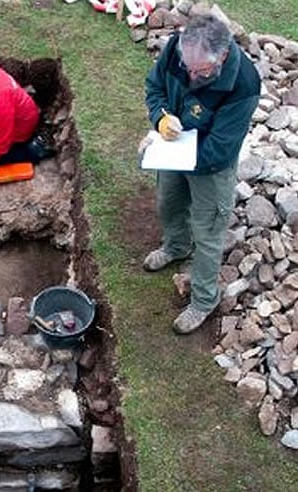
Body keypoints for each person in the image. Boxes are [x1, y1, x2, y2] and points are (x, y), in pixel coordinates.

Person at [143, 14, 260, 334]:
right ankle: (177, 247)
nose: (192, 74)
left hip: (211, 166)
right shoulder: (175, 51)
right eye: (187, 66)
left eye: (201, 71)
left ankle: (204, 301)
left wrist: (177, 155)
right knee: (168, 202)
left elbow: (221, 148)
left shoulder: (244, 83)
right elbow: (154, 88)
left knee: (208, 233)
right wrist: (160, 119)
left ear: (221, 55)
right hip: (174, 146)